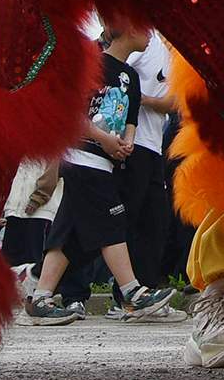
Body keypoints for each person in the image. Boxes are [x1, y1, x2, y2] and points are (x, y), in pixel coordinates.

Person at [23, 25, 181, 327]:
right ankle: (132, 293)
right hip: (82, 157)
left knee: (67, 233)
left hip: (105, 163)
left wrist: (126, 141)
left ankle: (39, 296)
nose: (149, 34)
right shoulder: (91, 66)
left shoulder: (131, 77)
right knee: (112, 223)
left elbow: (131, 118)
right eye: (141, 27)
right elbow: (71, 113)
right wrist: (103, 138)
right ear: (123, 30)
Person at [122, 28, 179, 288]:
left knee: (156, 218)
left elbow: (175, 104)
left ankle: (144, 288)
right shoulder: (146, 43)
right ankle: (126, 292)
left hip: (155, 143)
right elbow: (114, 74)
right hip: (130, 143)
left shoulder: (179, 58)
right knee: (126, 219)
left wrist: (146, 100)